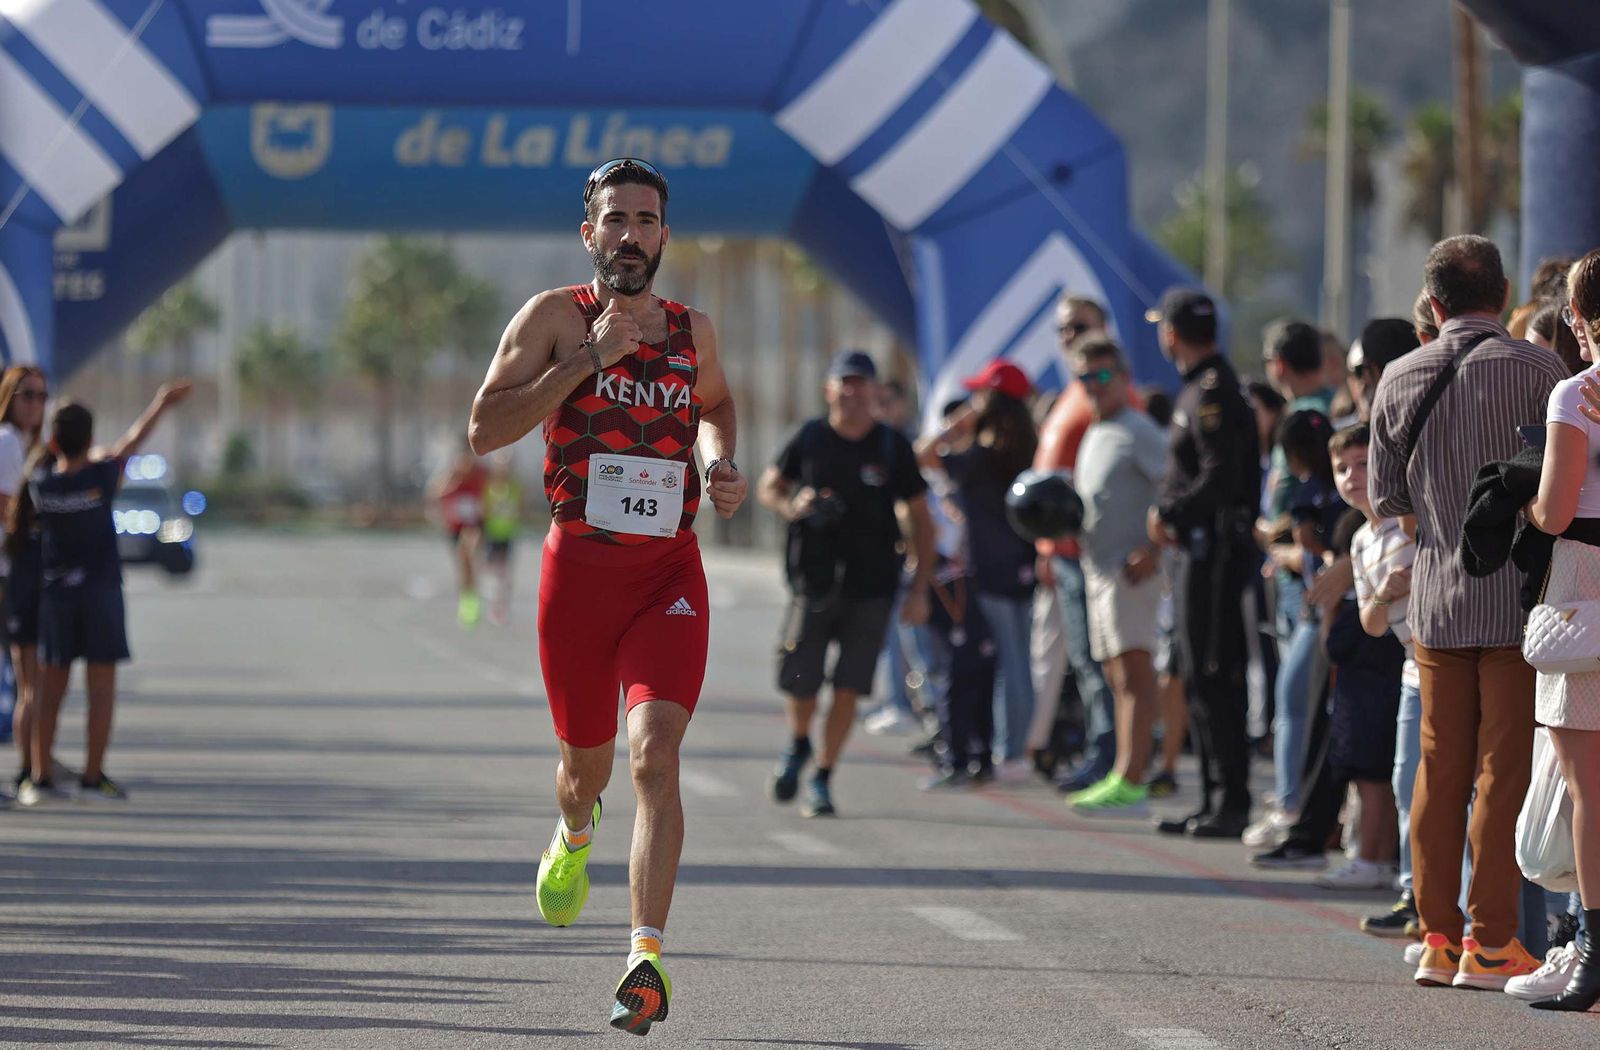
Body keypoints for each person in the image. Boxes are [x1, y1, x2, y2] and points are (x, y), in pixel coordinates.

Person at [466, 158, 749, 1034]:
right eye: (615, 220)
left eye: (647, 220)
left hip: (667, 574)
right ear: (589, 234)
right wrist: (587, 363)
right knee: (584, 771)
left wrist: (717, 463)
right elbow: (484, 430)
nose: (631, 235)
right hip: (578, 580)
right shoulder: (555, 318)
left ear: (665, 234)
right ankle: (575, 831)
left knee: (654, 757)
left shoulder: (691, 328)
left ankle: (645, 958)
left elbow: (718, 405)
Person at [1369, 234, 1563, 990]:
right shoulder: (1540, 368)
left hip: (1436, 604)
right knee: (1502, 773)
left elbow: (1388, 501)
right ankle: (1491, 942)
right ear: (1505, 292)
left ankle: (1437, 935)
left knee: (1437, 774)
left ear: (1435, 300)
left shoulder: (1398, 375)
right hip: (1518, 599)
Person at [759, 349, 933, 817]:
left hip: (872, 587)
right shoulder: (811, 438)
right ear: (829, 389)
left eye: (862, 383)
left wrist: (920, 587)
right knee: (801, 679)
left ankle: (823, 775)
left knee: (850, 687)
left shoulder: (892, 447)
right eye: (846, 382)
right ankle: (798, 743)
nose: (854, 392)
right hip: (812, 583)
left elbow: (920, 517)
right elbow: (769, 487)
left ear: (876, 391)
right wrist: (794, 503)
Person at [22, 381, 193, 807]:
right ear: (91, 437)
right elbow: (133, 440)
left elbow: (45, 461)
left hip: (58, 597)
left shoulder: (42, 484)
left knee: (49, 693)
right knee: (101, 691)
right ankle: (92, 778)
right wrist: (160, 403)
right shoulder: (102, 475)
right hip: (100, 595)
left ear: (55, 439)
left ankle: (40, 778)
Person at [1146, 289, 1262, 838]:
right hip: (1195, 550)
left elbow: (1221, 477)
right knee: (1195, 674)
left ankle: (1231, 800)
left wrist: (1169, 510)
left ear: (1172, 333)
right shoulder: (1197, 388)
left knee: (1214, 673)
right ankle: (1213, 794)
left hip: (1215, 552)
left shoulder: (1214, 391)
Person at [1521, 248, 1600, 1011]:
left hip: (1586, 591)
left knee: (1587, 788)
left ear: (1579, 318)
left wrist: (1522, 502)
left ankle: (1592, 950)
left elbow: (1555, 510)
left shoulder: (1579, 394)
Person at [1059, 338, 1168, 814]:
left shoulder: (1138, 429)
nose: (1093, 387)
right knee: (1116, 675)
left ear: (1122, 377)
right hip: (1098, 569)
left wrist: (1153, 548)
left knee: (1135, 674)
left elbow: (1174, 486)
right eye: (1084, 379)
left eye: (1101, 376)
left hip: (1131, 570)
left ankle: (1133, 779)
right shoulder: (1097, 430)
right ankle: (1123, 772)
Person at [916, 360, 1037, 782]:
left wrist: (959, 421)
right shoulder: (1028, 448)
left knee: (996, 665)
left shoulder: (981, 457)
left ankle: (1010, 752)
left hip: (987, 570)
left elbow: (924, 455)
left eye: (981, 394)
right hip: (1023, 566)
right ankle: (1015, 749)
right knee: (1019, 660)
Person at [1028, 294, 1121, 791]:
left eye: (1079, 326)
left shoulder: (1107, 395)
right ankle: (1099, 753)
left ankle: (1109, 759)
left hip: (1091, 554)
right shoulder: (1070, 393)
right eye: (1063, 328)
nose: (1069, 336)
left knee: (1100, 663)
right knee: (1084, 663)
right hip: (1061, 554)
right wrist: (1046, 548)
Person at [1320, 425, 1405, 891]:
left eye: (1362, 464)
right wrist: (1384, 597)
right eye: (1341, 468)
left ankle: (1387, 864)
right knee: (1383, 769)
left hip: (1411, 662)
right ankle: (1378, 861)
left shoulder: (1408, 524)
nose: (1352, 476)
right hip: (1394, 660)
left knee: (1387, 770)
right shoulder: (1360, 541)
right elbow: (1374, 622)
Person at [0, 366, 47, 805]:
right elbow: (7, 511)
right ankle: (29, 771)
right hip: (6, 575)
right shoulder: (6, 442)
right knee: (25, 678)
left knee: (24, 680)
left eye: (40, 396)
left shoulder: (23, 445)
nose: (34, 403)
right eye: (26, 394)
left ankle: (32, 768)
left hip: (15, 573)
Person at [427, 438, 488, 628]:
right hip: (455, 527)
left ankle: (473, 599)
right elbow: (435, 494)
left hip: (475, 525)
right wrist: (452, 482)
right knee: (463, 566)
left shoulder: (482, 475)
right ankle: (468, 601)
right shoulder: (452, 477)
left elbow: (494, 491)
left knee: (467, 551)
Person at [480, 452, 523, 626]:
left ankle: (503, 606)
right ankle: (493, 605)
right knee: (492, 572)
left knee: (504, 573)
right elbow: (484, 510)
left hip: (508, 535)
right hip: (492, 535)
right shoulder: (489, 488)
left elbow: (520, 508)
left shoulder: (515, 487)